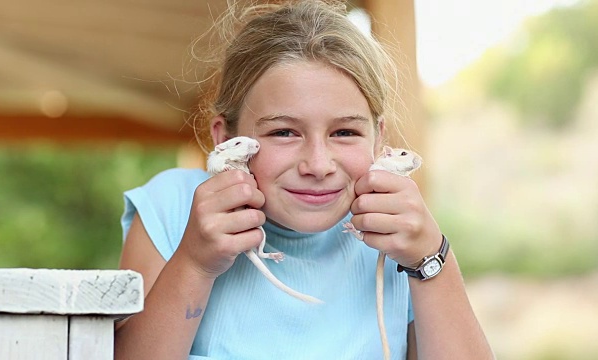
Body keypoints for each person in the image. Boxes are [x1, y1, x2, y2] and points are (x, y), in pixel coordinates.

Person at [114, 1, 494, 359]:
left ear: (378, 139)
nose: (318, 164)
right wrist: (195, 263)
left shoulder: (398, 239)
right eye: (284, 133)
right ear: (227, 141)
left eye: (344, 132)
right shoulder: (173, 207)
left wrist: (431, 259)